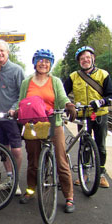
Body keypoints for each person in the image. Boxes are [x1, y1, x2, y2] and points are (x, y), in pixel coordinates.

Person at [17, 49, 77, 213]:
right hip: (33, 125)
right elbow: (21, 102)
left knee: (61, 160)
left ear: (50, 64)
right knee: (33, 161)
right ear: (35, 62)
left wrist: (68, 105)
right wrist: (15, 112)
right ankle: (30, 191)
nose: (43, 63)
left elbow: (63, 98)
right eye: (40, 60)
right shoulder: (27, 82)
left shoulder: (55, 81)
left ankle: (69, 197)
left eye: (47, 61)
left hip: (53, 123)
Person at [64, 46, 112, 188]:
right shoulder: (74, 76)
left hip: (100, 115)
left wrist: (101, 101)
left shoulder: (103, 74)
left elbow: (111, 95)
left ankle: (101, 175)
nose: (85, 60)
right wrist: (67, 105)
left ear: (93, 58)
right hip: (83, 115)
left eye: (87, 57)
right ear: (79, 61)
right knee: (84, 145)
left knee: (101, 146)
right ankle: (84, 174)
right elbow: (63, 92)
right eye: (82, 59)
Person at [0, 39, 25, 195]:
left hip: (11, 119)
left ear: (8, 52)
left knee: (16, 150)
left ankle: (15, 179)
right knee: (3, 150)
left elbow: (22, 94)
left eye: (2, 51)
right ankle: (9, 178)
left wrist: (14, 109)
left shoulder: (16, 70)